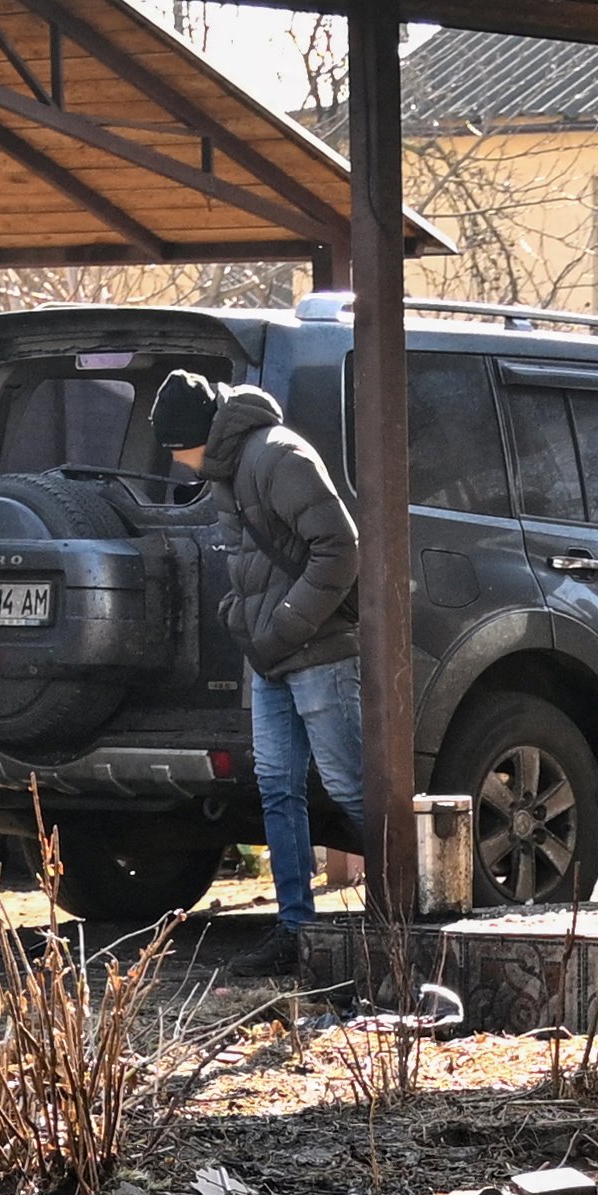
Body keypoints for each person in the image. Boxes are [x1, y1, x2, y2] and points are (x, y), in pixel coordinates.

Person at [207, 375, 366, 975]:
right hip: (271, 654)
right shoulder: (228, 466)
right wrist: (246, 622)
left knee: (351, 784)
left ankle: (409, 919)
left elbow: (340, 548)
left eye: (175, 450)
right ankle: (294, 930)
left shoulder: (278, 454)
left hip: (316, 651)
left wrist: (280, 628)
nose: (176, 463)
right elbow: (251, 564)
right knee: (276, 787)